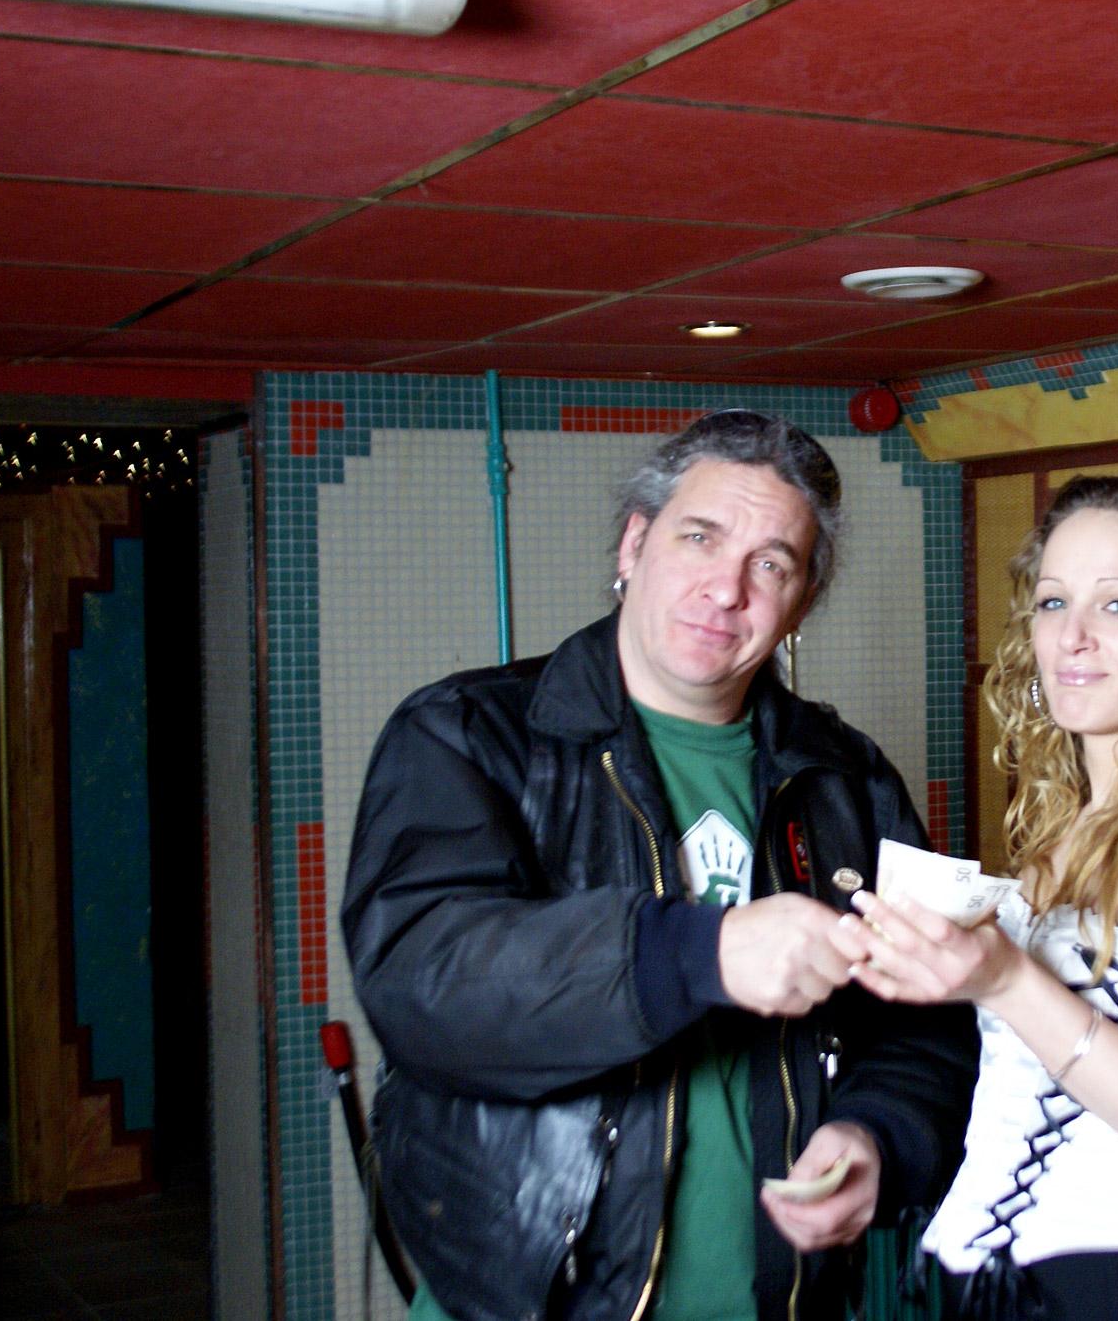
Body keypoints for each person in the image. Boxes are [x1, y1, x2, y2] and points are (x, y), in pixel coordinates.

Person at [341, 410, 978, 1321]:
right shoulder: (470, 735)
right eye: (700, 538)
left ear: (801, 602)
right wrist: (695, 953)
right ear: (634, 544)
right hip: (531, 1302)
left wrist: (880, 1131)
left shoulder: (844, 775)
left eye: (771, 564)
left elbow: (928, 1021)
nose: (726, 589)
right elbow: (423, 979)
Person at [829, 473, 1118, 1320]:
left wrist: (1007, 980)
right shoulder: (1066, 826)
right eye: (1054, 602)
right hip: (982, 1287)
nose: (1073, 637)